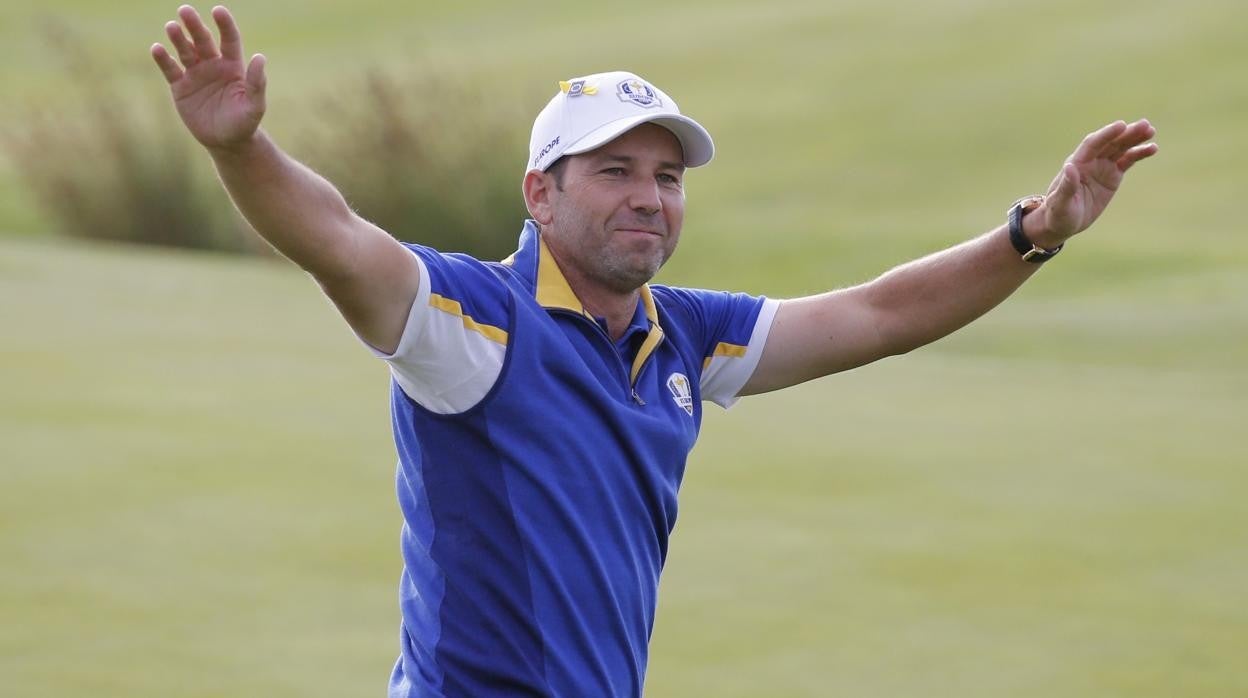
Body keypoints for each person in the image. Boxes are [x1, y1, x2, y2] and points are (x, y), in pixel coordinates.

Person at [151, 5, 1158, 697]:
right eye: (615, 169)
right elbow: (335, 238)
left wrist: (1036, 231)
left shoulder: (681, 333)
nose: (649, 194)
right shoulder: (476, 322)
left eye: (668, 175)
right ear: (540, 193)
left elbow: (882, 314)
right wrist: (240, 150)